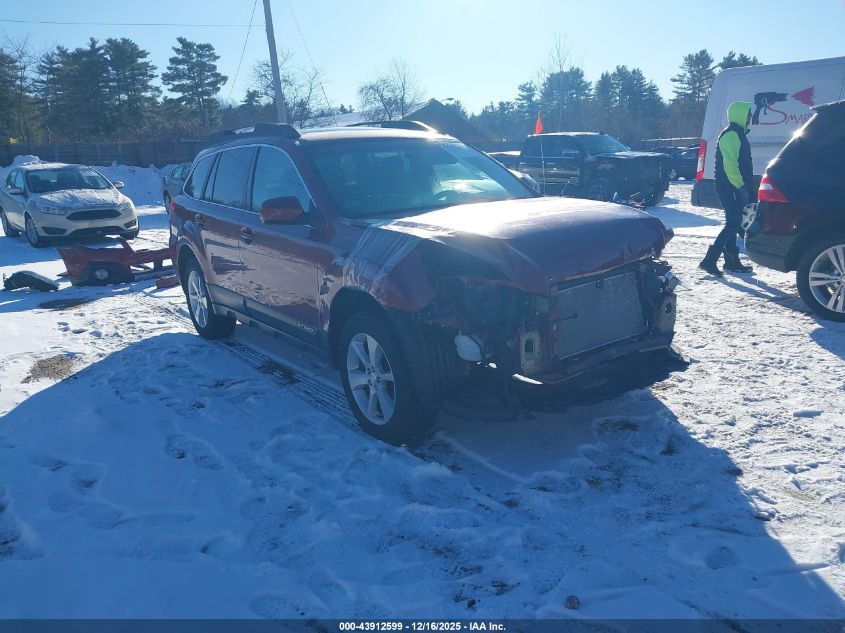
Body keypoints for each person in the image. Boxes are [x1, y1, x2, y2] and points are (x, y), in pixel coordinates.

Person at [699, 101, 755, 276]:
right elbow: (730, 166)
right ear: (739, 115)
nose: (750, 118)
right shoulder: (731, 135)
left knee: (734, 221)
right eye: (748, 114)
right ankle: (709, 260)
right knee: (733, 222)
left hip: (732, 186)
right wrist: (741, 187)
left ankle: (731, 261)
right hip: (729, 186)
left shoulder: (738, 134)